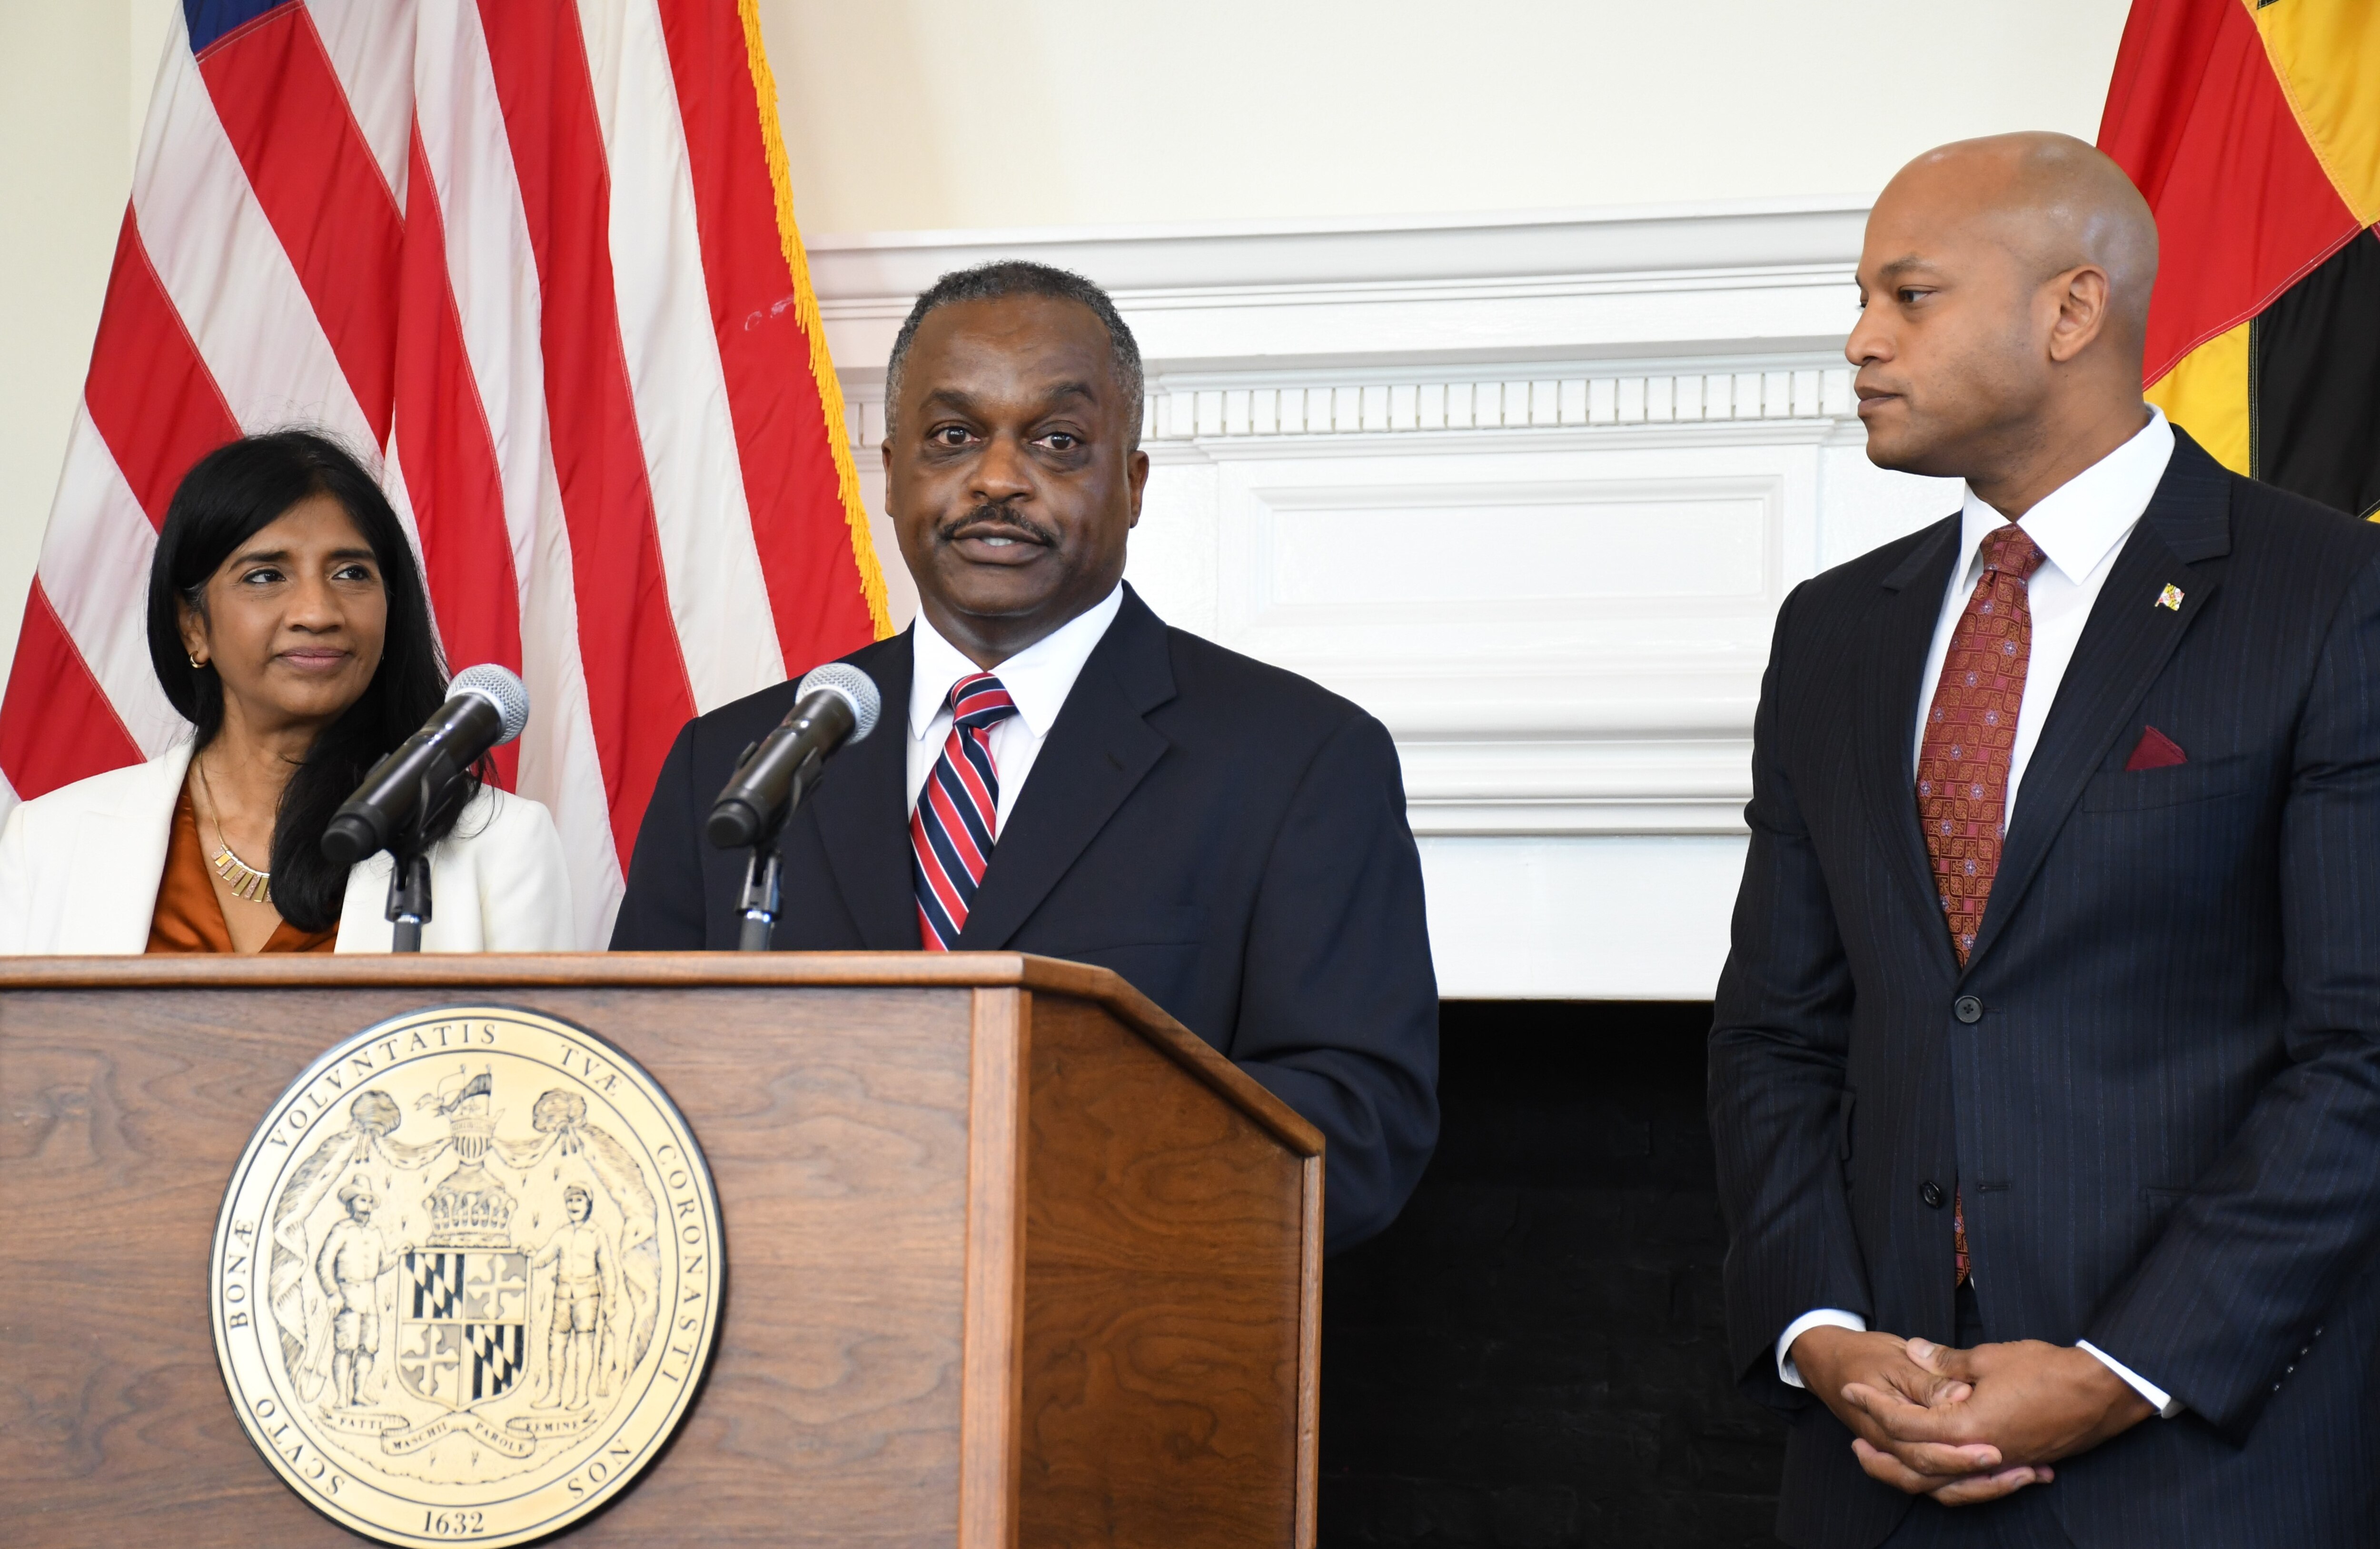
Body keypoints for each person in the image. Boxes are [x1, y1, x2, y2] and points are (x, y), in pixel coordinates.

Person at [1708, 130, 2380, 1548]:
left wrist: (2114, 1373)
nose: (1858, 340)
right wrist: (1823, 1333)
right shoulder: (1830, 633)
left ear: (2068, 313)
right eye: (1860, 299)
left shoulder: (2327, 595)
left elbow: (2360, 1052)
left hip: (2201, 1466)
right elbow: (1775, 1031)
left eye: (1908, 296)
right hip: (1870, 1460)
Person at [611, 261, 1438, 1251]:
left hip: (1113, 1356)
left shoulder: (1299, 760)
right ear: (892, 471)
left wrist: (1002, 1165)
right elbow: (635, 1091)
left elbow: (1353, 1130)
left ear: (1130, 485)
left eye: (1056, 441)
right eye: (954, 436)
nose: (998, 479)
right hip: (792, 1356)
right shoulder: (738, 762)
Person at [0, 431, 573, 954]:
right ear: (192, 625)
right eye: (265, 575)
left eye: (351, 572)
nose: (317, 612)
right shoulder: (50, 840)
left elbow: (527, 1067)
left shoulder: (502, 843)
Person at [316, 1178, 402, 1409]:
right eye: (362, 1200)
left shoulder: (375, 1233)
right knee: (346, 1347)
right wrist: (333, 1292)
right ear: (351, 1203)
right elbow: (324, 1264)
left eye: (369, 1201)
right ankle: (342, 1397)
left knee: (368, 1348)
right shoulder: (341, 1230)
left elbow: (380, 1266)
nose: (367, 1206)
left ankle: (359, 1394)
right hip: (347, 1296)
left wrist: (397, 1255)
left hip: (369, 1298)